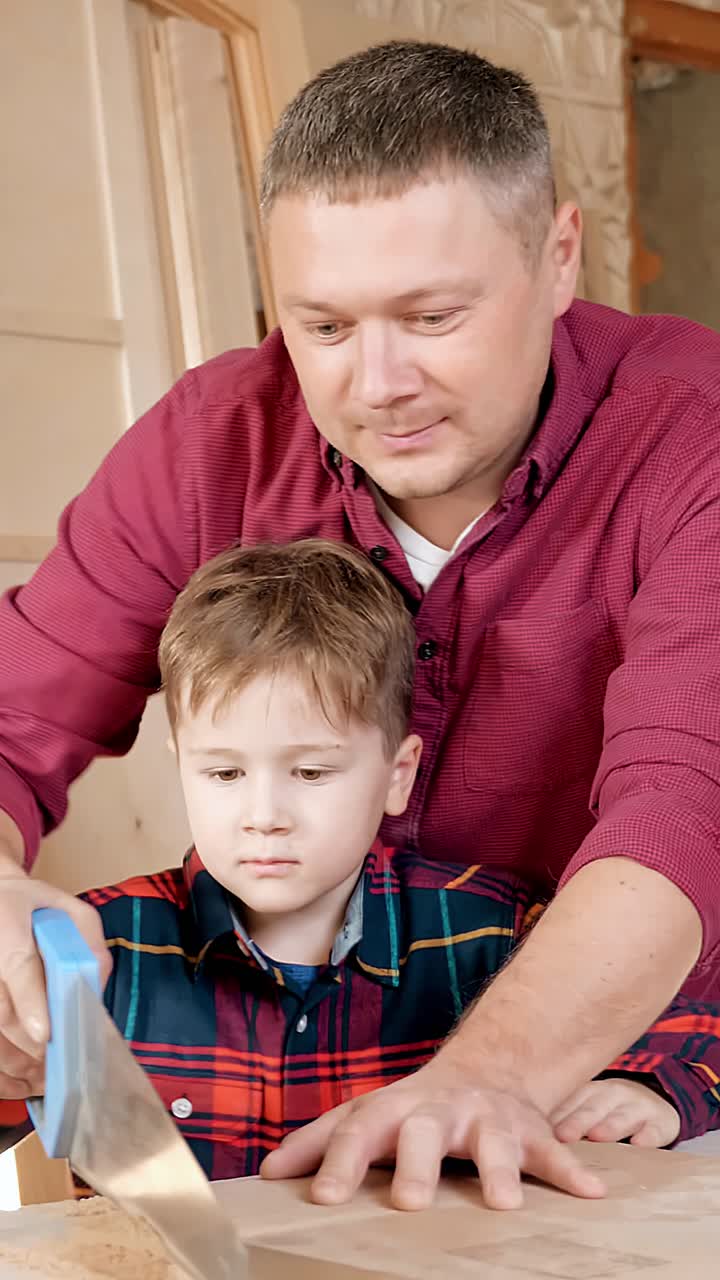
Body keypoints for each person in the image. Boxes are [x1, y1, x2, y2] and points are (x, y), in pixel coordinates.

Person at [1, 39, 719, 1208]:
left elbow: (686, 803)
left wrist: (483, 1077)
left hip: (637, 1075)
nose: (373, 383)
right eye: (321, 327)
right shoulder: (211, 437)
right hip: (304, 1085)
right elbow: (12, 710)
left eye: (431, 315)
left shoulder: (694, 434)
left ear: (557, 257)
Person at [68, 542, 720, 1182]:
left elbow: (697, 1032)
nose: (262, 813)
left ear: (396, 776)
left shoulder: (500, 932)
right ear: (180, 764)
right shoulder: (92, 947)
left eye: (312, 771)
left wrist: (654, 1090)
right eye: (225, 772)